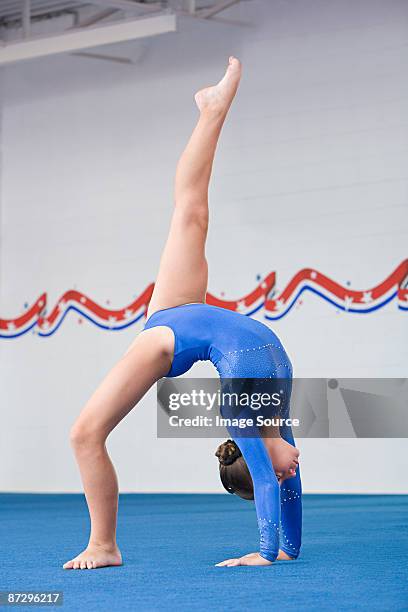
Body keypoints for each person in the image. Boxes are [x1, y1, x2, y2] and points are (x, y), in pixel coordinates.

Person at [63, 57, 301, 570]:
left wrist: (265, 554)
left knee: (85, 434)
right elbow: (284, 490)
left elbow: (268, 479)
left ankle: (104, 544)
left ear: (258, 457)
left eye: (286, 473)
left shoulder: (254, 429)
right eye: (290, 472)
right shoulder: (277, 422)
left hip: (164, 338)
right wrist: (287, 549)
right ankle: (212, 111)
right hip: (184, 313)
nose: (295, 470)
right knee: (191, 210)